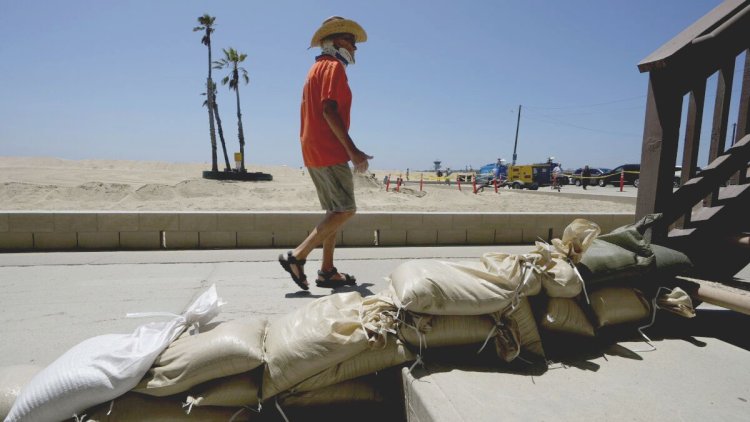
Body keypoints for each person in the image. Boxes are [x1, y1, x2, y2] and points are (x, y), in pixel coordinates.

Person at [278, 16, 372, 291]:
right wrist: (353, 151)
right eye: (352, 42)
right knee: (346, 210)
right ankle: (297, 256)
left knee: (334, 210)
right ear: (337, 41)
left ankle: (327, 271)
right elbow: (329, 109)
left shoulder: (315, 69)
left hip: (311, 146)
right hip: (328, 147)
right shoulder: (333, 68)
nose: (355, 49)